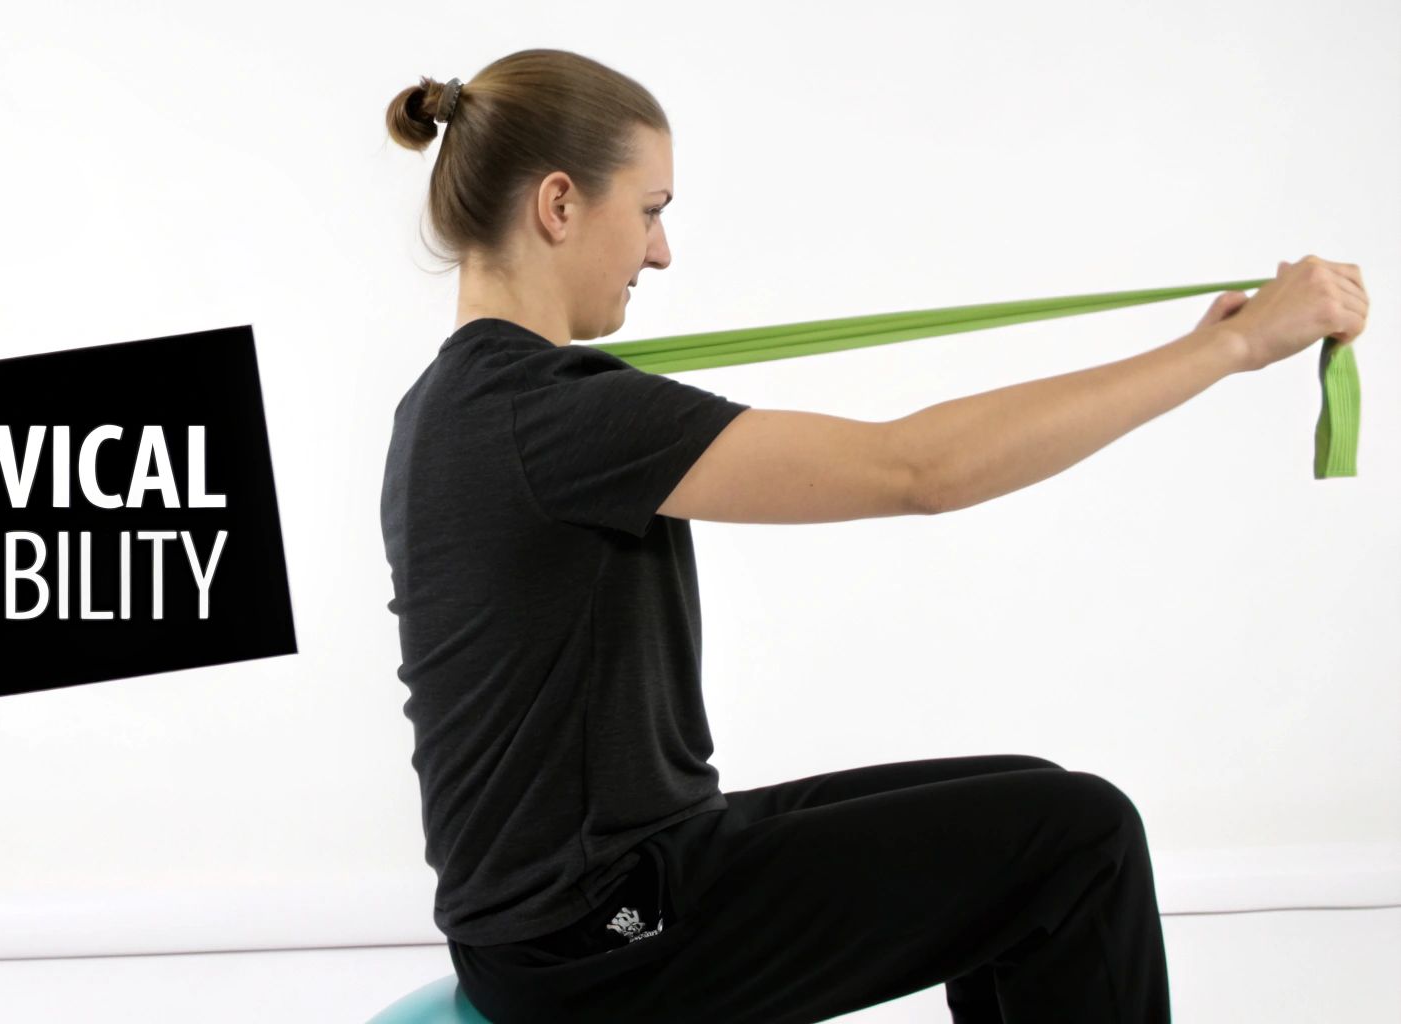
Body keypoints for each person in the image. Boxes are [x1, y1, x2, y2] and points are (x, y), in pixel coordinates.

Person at [377, 48, 1368, 1024]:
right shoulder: (550, 414)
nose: (660, 251)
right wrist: (1233, 347)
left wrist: (1209, 343)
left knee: (1031, 798)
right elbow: (918, 471)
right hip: (595, 934)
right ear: (558, 204)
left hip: (569, 910)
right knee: (1081, 839)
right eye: (650, 210)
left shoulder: (446, 404)